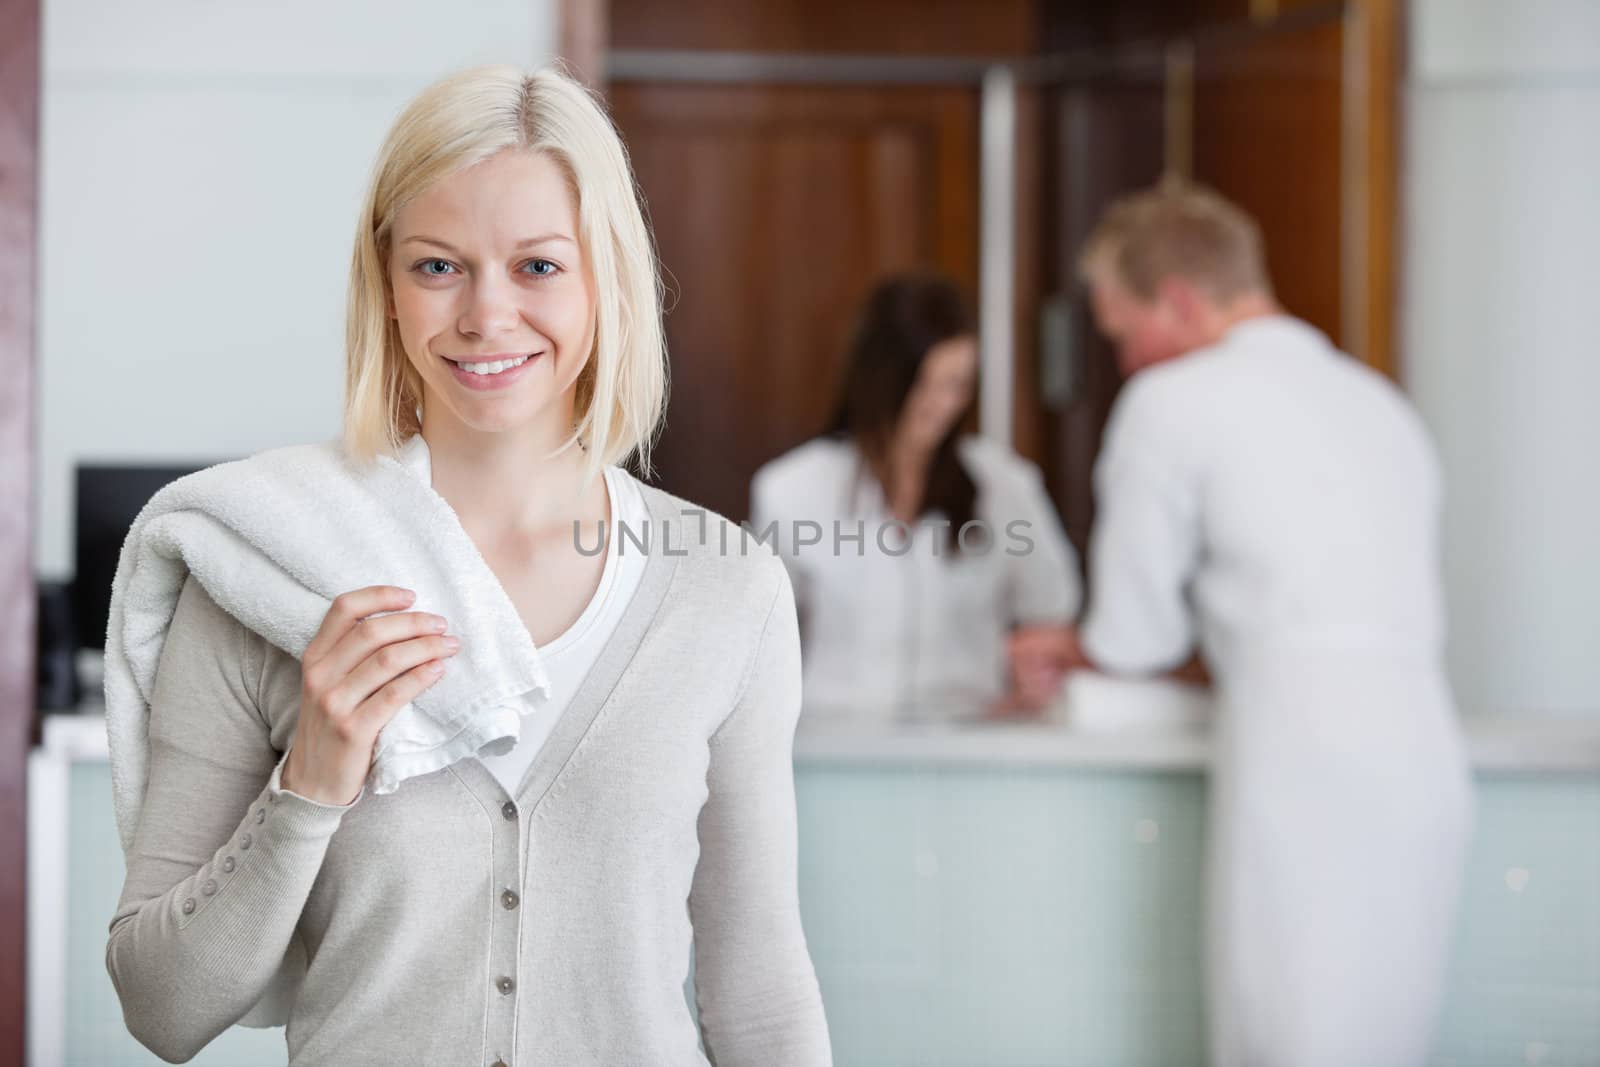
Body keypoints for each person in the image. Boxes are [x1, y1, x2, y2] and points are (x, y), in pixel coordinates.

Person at [105, 65, 832, 1067]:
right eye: (439, 266)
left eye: (537, 266)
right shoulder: (264, 575)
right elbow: (159, 1005)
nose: (487, 316)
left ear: (604, 278)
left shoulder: (724, 588)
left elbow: (759, 988)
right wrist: (308, 782)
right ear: (386, 283)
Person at [1009, 181, 1474, 1066]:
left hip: (1301, 757)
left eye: (1121, 332)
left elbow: (1133, 638)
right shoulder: (1381, 404)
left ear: (1178, 302)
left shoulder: (1173, 402)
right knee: (1388, 1034)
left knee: (1284, 1031)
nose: (1125, 360)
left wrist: (1070, 648)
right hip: (1424, 749)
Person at [750, 272, 1081, 724]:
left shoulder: (1004, 486)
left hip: (970, 744)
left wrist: (1035, 676)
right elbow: (760, 643)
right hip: (834, 746)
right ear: (880, 378)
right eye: (924, 384)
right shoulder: (792, 489)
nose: (940, 405)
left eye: (956, 384)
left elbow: (1051, 617)